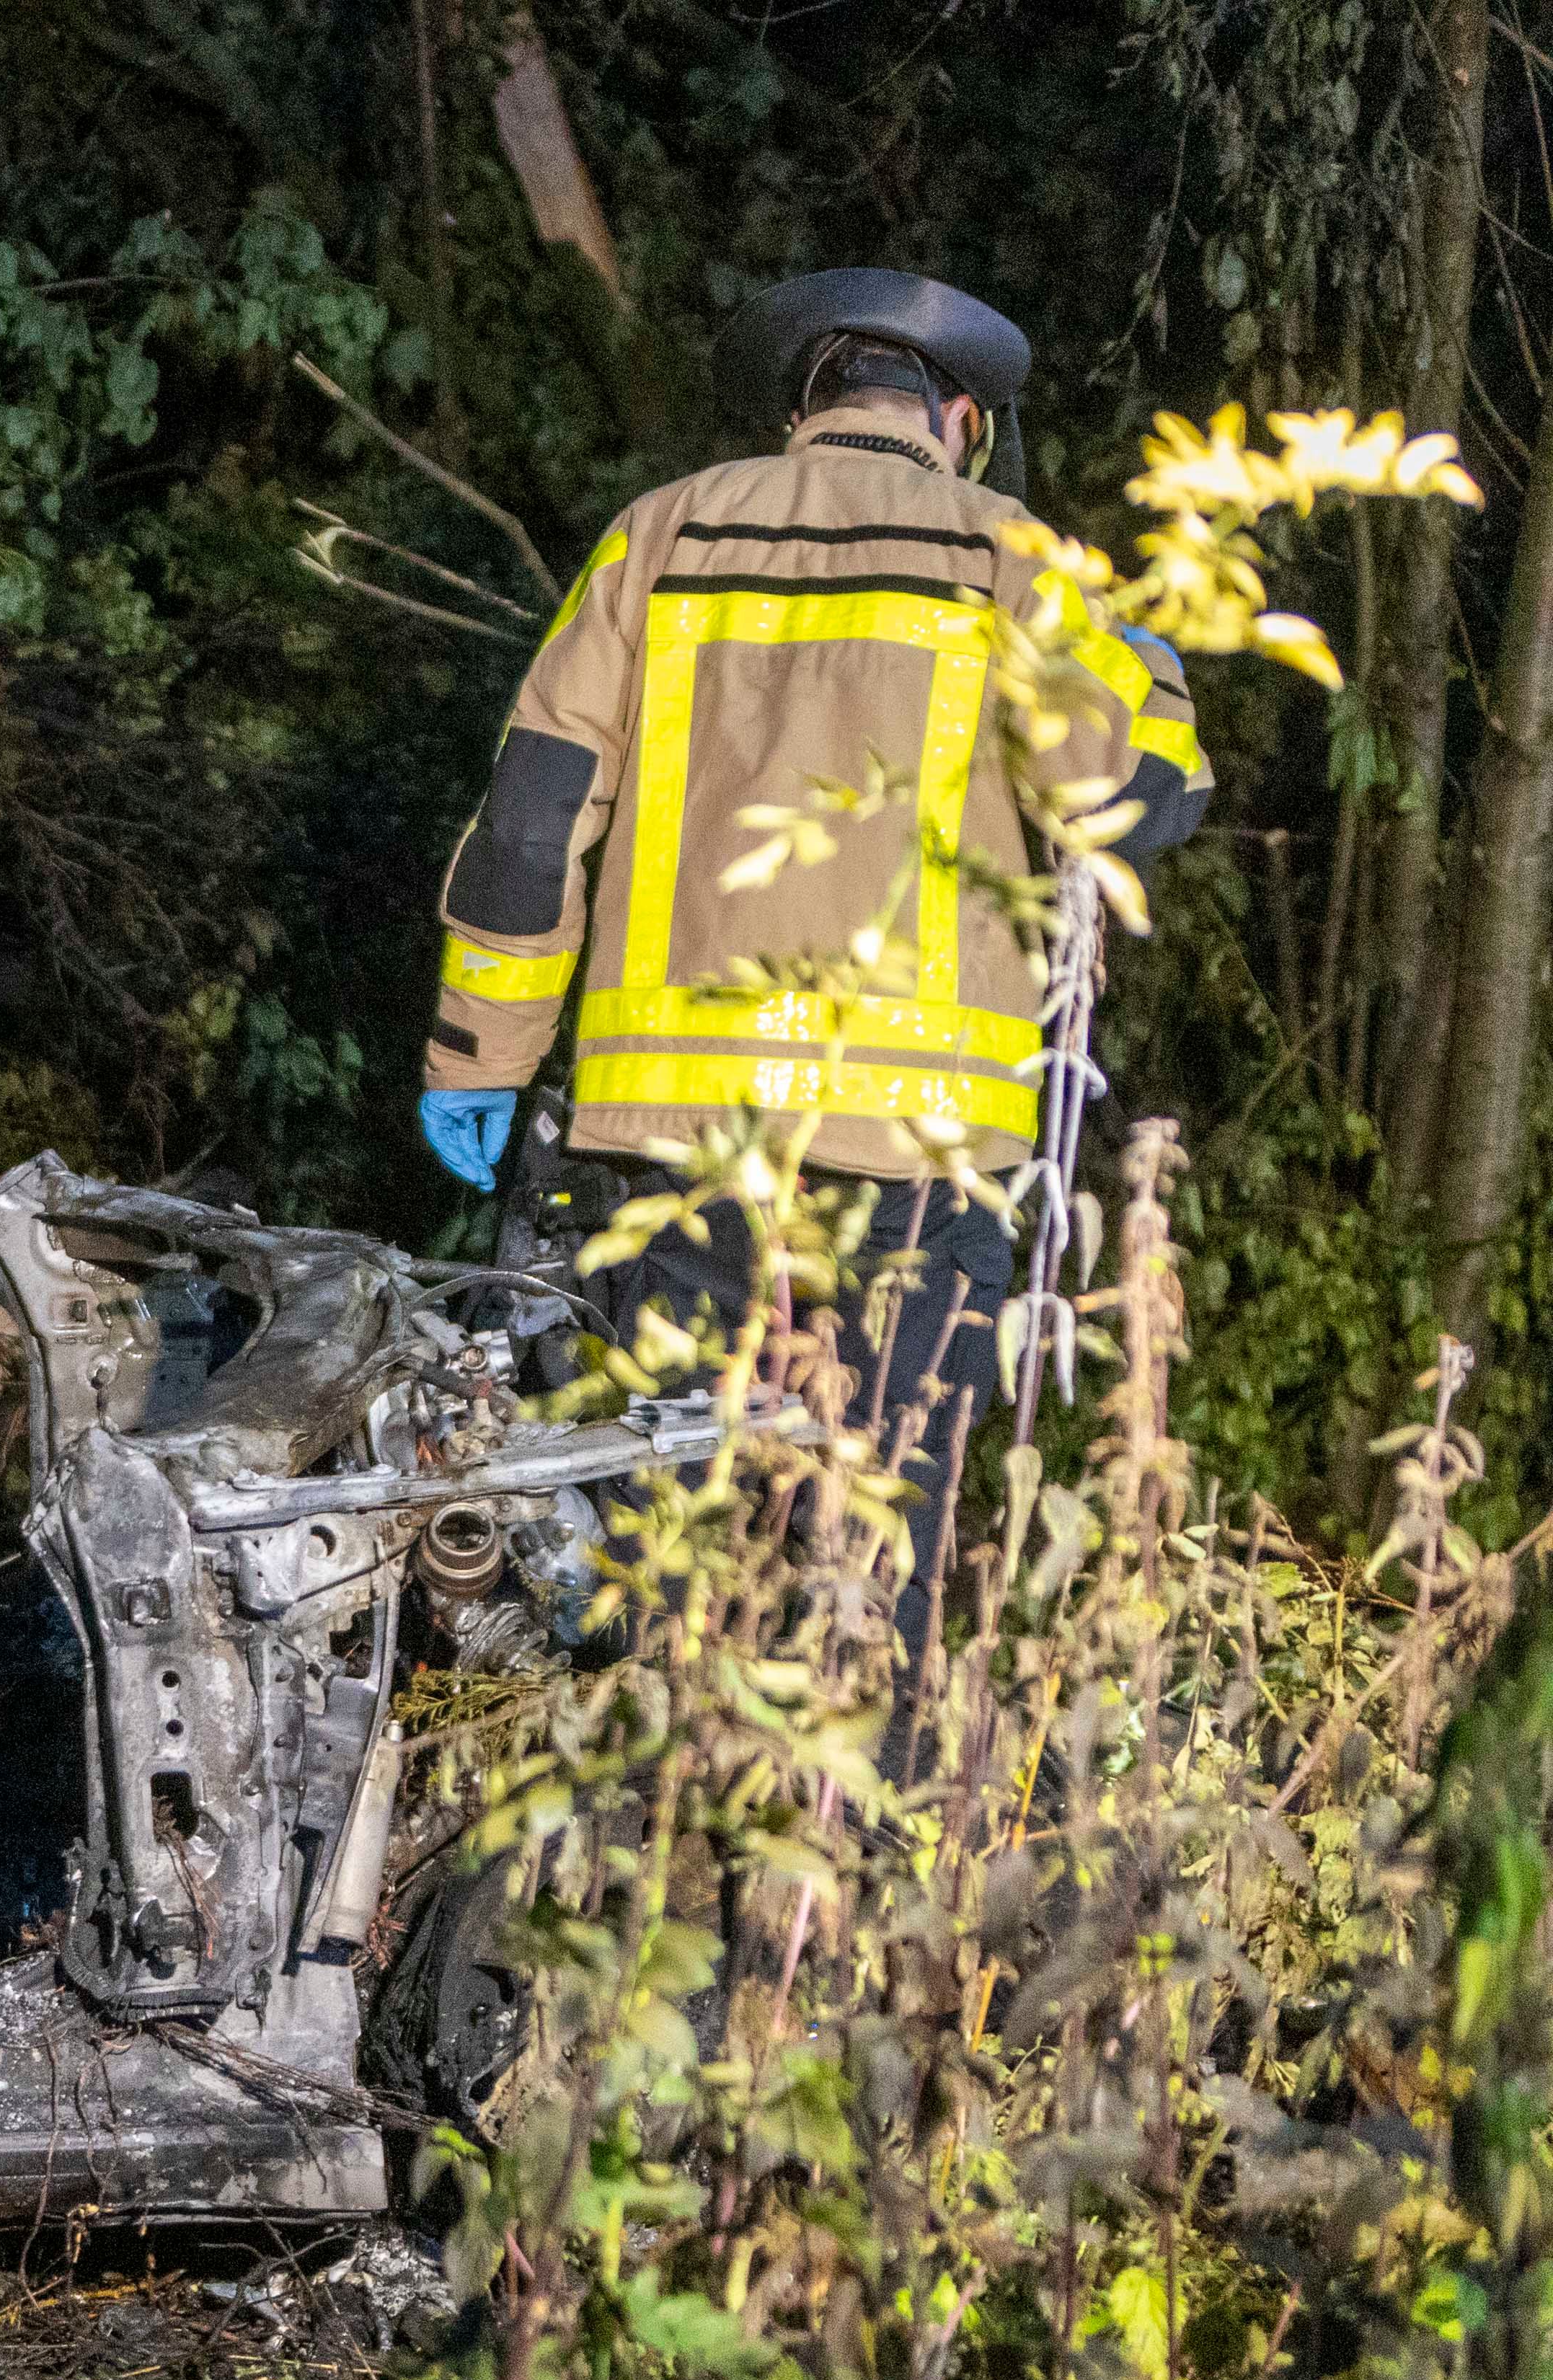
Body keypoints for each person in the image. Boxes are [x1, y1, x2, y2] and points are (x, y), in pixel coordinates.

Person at [415, 269, 1210, 1664]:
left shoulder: (655, 539)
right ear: (958, 418)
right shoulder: (1017, 556)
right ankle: (858, 1855)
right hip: (918, 1161)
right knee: (877, 1569)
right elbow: (1131, 808)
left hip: (673, 1146)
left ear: (805, 408)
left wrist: (479, 1060)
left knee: (669, 1560)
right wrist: (1153, 678)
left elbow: (530, 827)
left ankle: (644, 1844)